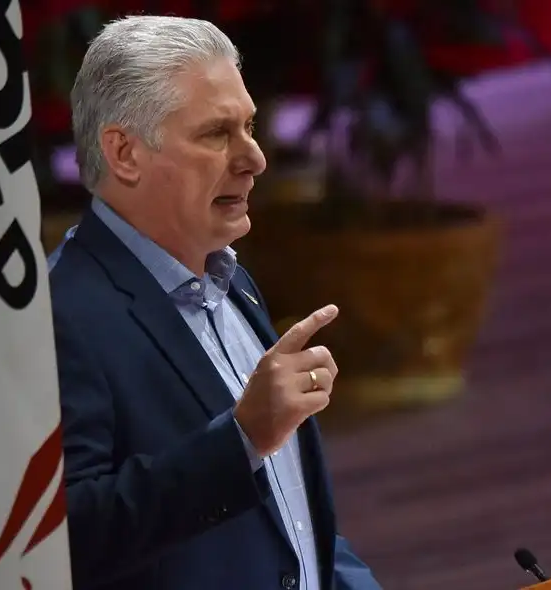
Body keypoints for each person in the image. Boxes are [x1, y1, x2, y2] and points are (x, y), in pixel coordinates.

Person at [49, 15, 383, 590]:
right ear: (124, 153)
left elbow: (291, 521)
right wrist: (242, 439)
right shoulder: (62, 317)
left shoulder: (230, 278)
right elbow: (69, 537)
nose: (255, 158)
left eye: (250, 126)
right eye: (215, 133)